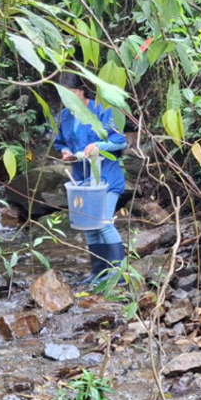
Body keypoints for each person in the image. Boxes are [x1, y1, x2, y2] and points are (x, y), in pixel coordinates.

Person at [52, 73, 128, 284]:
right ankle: (98, 273)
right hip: (82, 179)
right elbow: (61, 143)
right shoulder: (65, 116)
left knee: (103, 223)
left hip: (106, 177)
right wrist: (66, 152)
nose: (70, 100)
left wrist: (99, 146)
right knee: (89, 225)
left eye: (73, 94)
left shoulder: (102, 110)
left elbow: (119, 142)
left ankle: (118, 274)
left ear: (82, 91)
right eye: (65, 97)